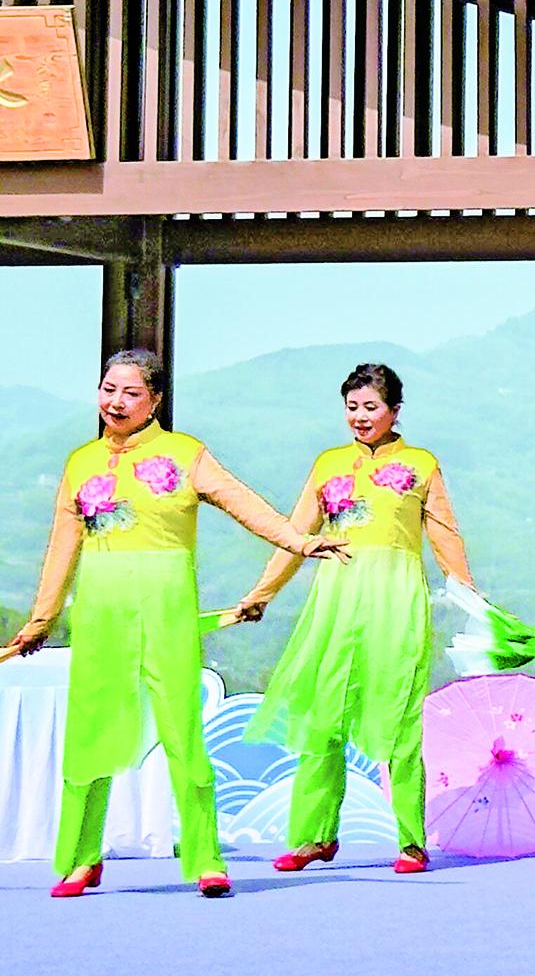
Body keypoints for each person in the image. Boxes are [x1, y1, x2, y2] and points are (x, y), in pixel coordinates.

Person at [5, 350, 345, 898]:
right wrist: (42, 619)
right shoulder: (81, 462)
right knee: (90, 730)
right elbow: (62, 547)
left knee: (181, 730)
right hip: (100, 609)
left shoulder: (185, 454)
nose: (116, 402)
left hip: (167, 605)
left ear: (155, 400)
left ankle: (206, 858)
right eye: (109, 389)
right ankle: (80, 858)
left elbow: (244, 504)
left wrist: (299, 541)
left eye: (131, 393)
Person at [238, 362, 474, 875]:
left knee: (402, 720)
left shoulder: (420, 464)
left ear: (395, 410)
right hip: (335, 602)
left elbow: (444, 534)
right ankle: (314, 836)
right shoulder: (328, 464)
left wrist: (468, 594)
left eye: (371, 407)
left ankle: (411, 842)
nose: (360, 417)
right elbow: (295, 535)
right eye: (352, 407)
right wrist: (262, 593)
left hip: (397, 601)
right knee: (322, 720)